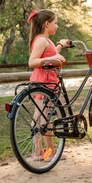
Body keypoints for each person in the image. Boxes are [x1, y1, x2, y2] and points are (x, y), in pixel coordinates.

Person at [27, 9, 68, 161]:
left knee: (39, 117)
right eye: (55, 23)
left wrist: (60, 46)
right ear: (47, 24)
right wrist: (53, 57)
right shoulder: (41, 40)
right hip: (45, 82)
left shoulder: (45, 40)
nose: (56, 26)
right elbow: (33, 61)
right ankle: (49, 152)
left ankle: (38, 151)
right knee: (45, 119)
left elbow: (49, 56)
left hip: (45, 81)